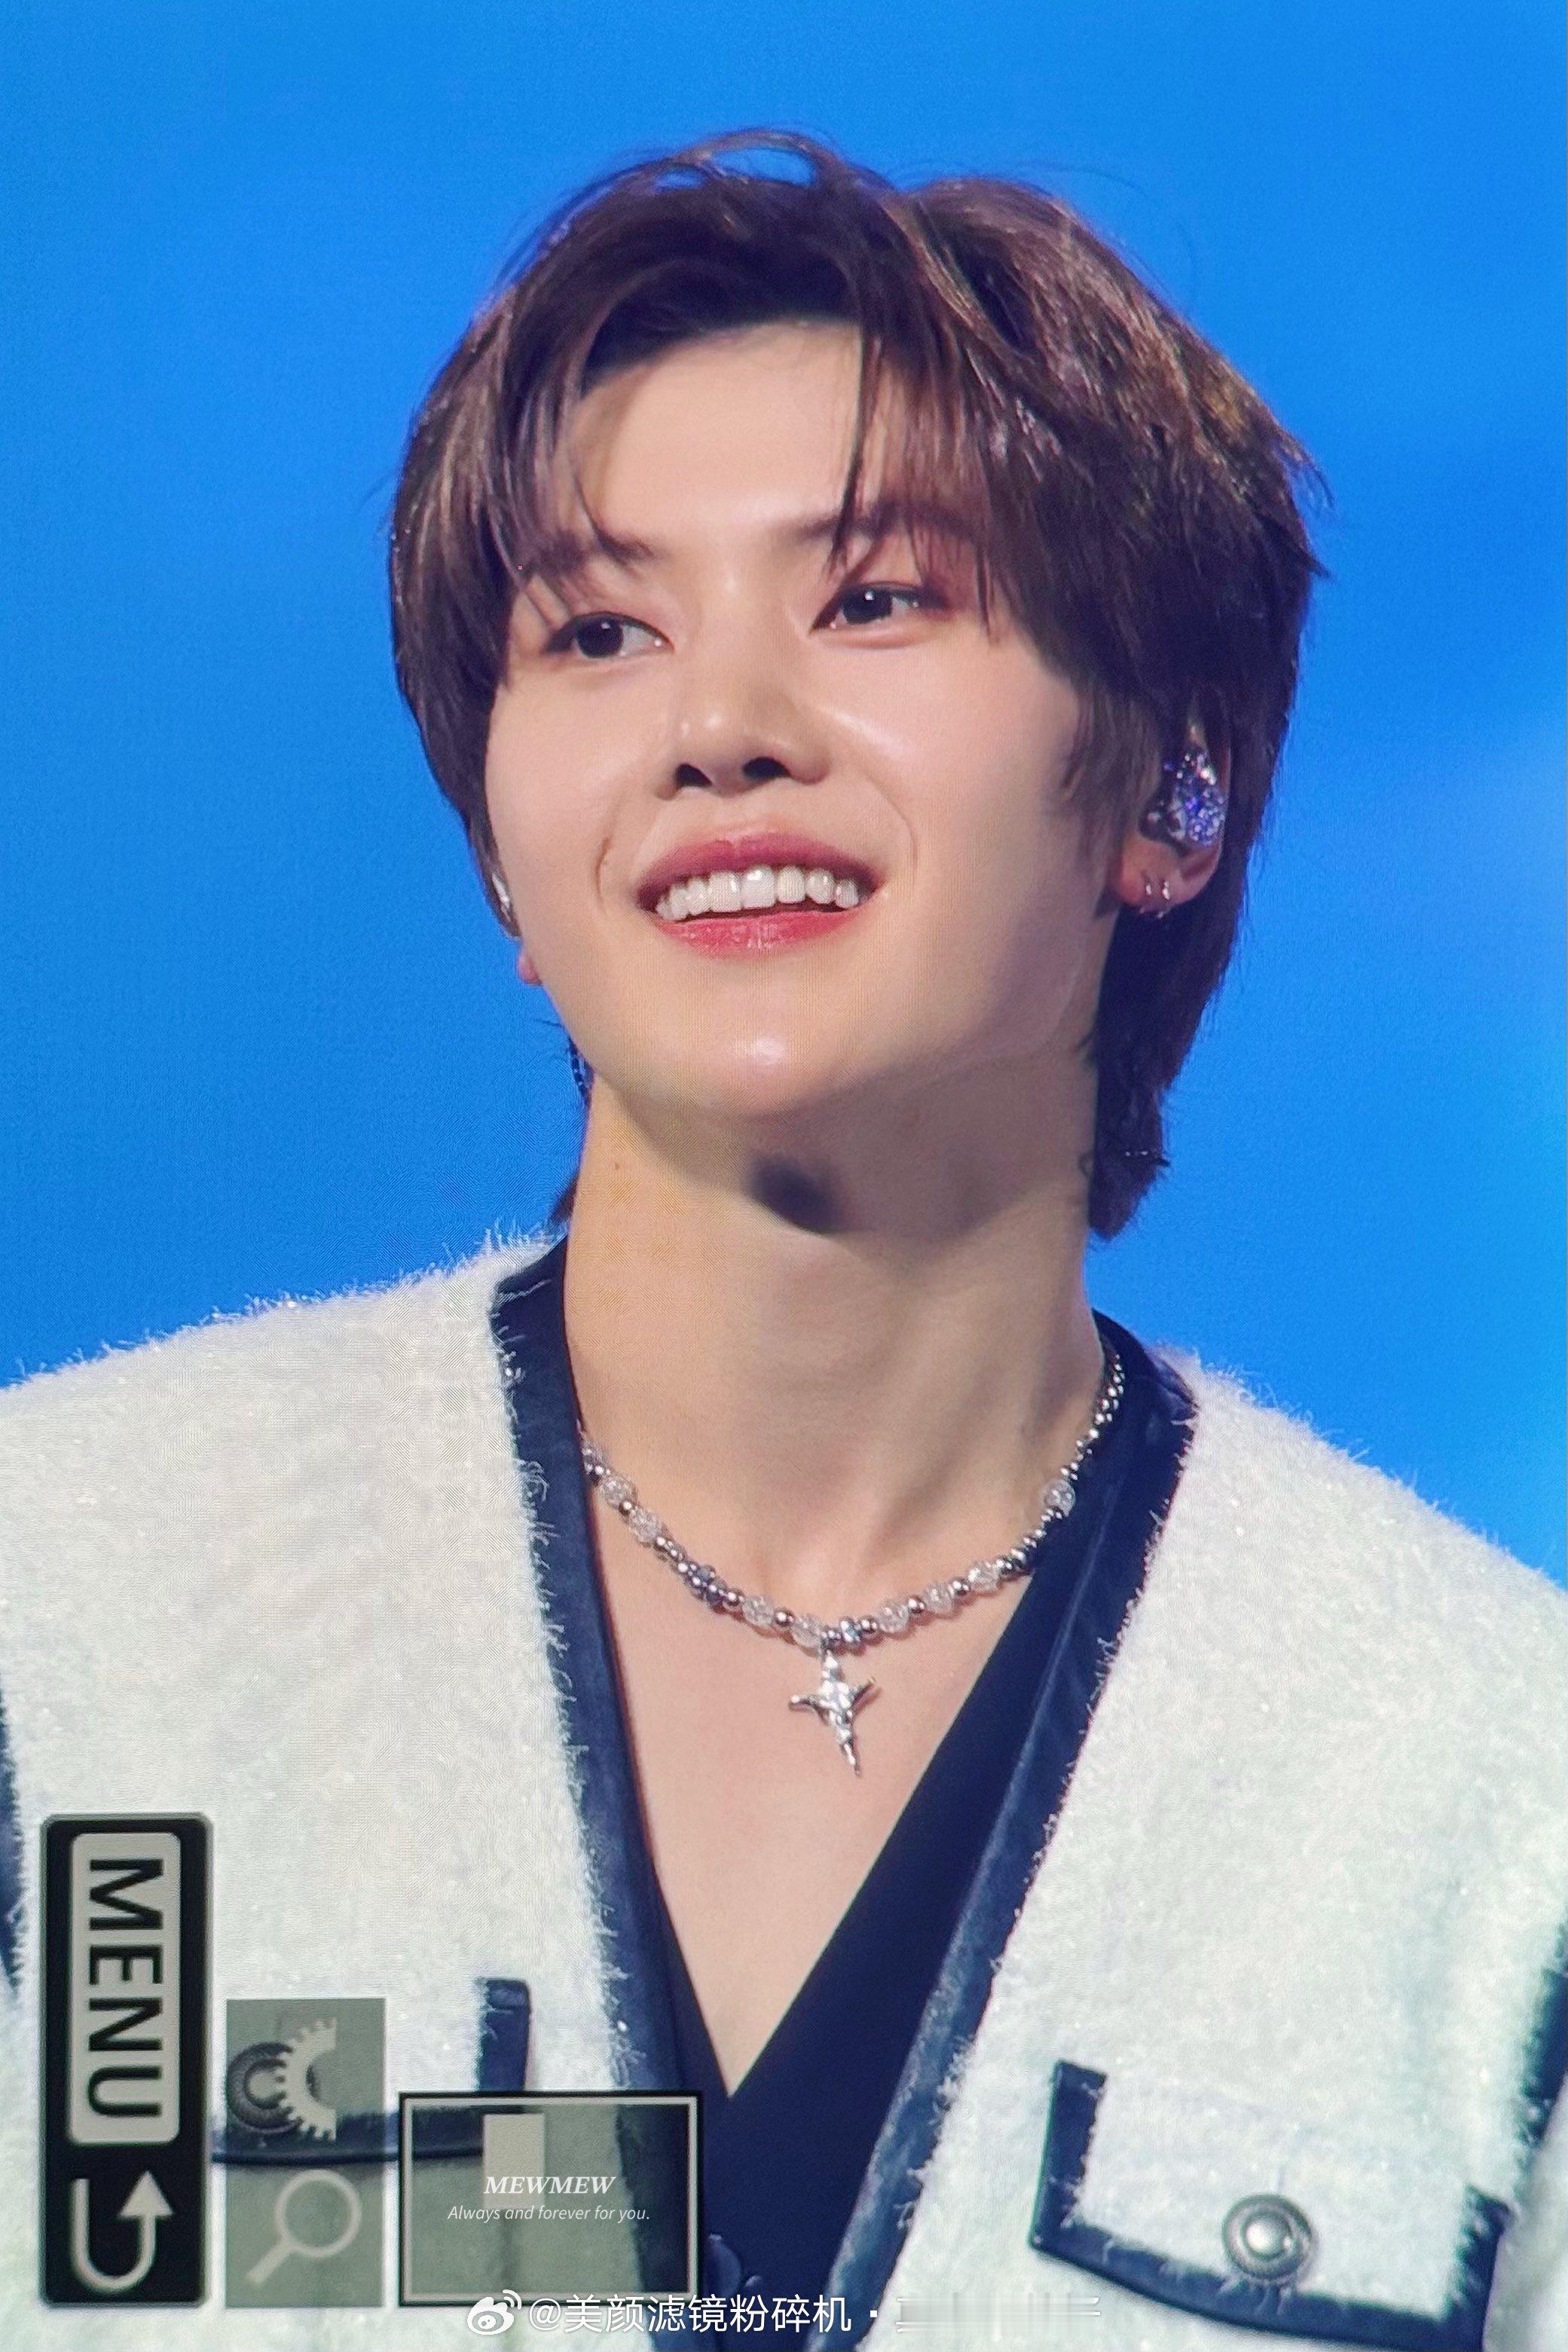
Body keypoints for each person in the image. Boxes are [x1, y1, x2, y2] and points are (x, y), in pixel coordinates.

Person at [0, 133, 1562, 2350]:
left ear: (1170, 786)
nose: (719, 729)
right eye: (600, 632)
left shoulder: (1491, 1798)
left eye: (874, 601)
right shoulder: (69, 1618)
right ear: (501, 851)